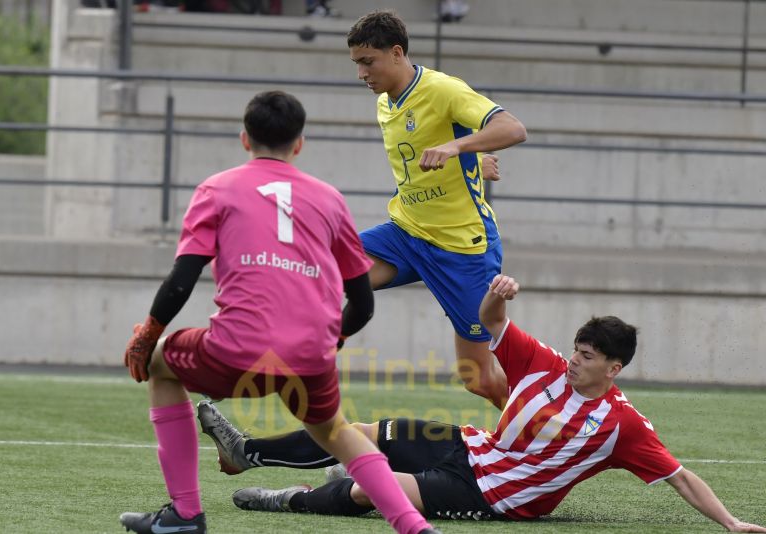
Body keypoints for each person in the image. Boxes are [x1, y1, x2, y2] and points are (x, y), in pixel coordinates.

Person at [196, 274, 766, 532]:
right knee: (359, 432)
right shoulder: (544, 364)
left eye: (587, 356)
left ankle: (288, 500)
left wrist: (730, 522)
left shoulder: (621, 425)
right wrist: (497, 297)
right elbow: (494, 324)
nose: (574, 360)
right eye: (575, 349)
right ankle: (247, 452)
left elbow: (680, 477)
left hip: (495, 496)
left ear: (613, 369)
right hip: (471, 449)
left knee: (374, 490)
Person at [118, 90, 439, 534]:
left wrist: (148, 334)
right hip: (310, 353)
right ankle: (415, 527)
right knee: (336, 432)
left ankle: (185, 514)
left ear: (245, 139)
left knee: (160, 365)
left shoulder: (217, 188)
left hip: (236, 349)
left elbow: (181, 280)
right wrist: (330, 341)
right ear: (299, 144)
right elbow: (363, 304)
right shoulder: (329, 199)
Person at [346, 10, 527, 409]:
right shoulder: (385, 103)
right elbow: (419, 162)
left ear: (397, 53)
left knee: (479, 379)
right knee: (332, 269)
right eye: (357, 63)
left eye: (368, 62)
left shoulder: (443, 90)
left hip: (460, 249)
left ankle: (545, 435)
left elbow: (513, 129)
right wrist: (472, 163)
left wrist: (458, 148)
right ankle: (318, 353)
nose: (361, 73)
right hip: (406, 234)